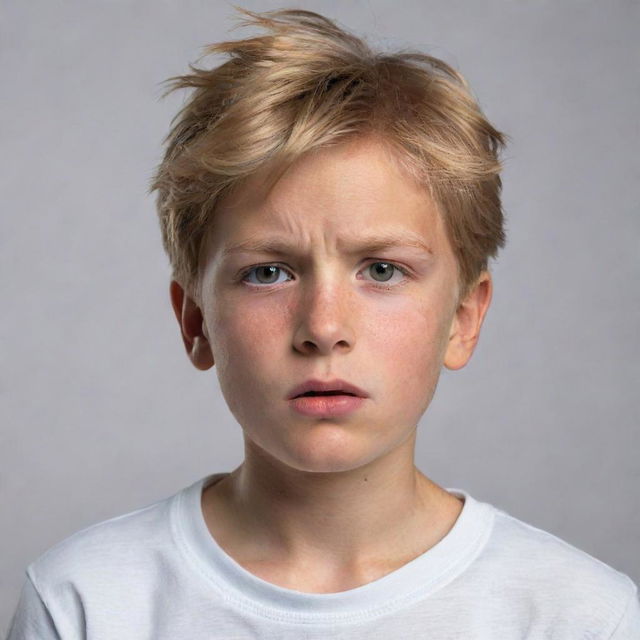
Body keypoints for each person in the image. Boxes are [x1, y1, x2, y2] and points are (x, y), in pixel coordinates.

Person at [7, 7, 639, 638]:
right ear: (195, 319)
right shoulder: (86, 600)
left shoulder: (580, 616)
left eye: (383, 271)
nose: (324, 327)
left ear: (463, 318)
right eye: (269, 273)